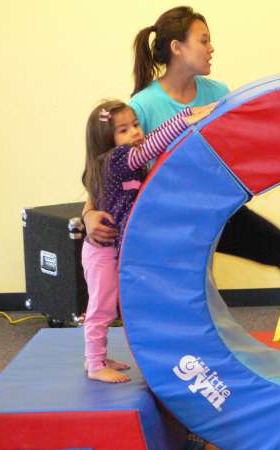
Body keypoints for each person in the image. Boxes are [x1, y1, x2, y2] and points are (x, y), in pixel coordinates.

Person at [81, 6, 280, 308]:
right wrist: (88, 214)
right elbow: (106, 174)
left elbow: (238, 151)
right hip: (173, 222)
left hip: (217, 209)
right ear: (178, 48)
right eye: (204, 40)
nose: (211, 48)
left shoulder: (218, 93)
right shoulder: (142, 106)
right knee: (190, 294)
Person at [81, 99, 213, 383]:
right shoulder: (116, 160)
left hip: (113, 250)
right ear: (106, 140)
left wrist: (188, 114)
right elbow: (153, 144)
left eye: (135, 125)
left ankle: (97, 357)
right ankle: (94, 365)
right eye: (123, 130)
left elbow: (152, 142)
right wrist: (184, 118)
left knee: (108, 305)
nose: (135, 132)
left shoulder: (127, 164)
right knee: (102, 307)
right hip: (102, 251)